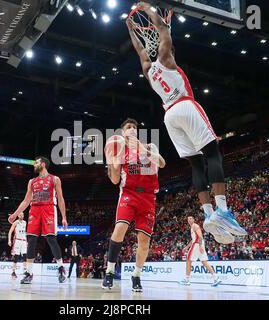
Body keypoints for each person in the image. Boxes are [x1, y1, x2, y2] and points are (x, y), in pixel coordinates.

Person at [126, 1, 247, 243]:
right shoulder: (166, 57)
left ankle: (208, 214)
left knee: (195, 164)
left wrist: (130, 26)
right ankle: (223, 209)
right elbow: (161, 28)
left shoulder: (149, 71)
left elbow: (140, 49)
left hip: (169, 116)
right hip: (185, 104)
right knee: (213, 154)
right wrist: (148, 8)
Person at [102, 118, 165, 292]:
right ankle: (109, 271)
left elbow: (161, 163)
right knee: (120, 228)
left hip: (148, 197)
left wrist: (140, 146)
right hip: (129, 194)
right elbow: (115, 179)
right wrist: (118, 152)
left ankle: (136, 275)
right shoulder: (120, 151)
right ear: (122, 132)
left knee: (144, 242)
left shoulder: (150, 146)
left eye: (134, 127)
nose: (132, 129)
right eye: (128, 127)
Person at [8, 156, 68, 284]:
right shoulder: (32, 181)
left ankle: (61, 268)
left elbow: (61, 199)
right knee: (32, 241)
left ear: (44, 164)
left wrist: (64, 217)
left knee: (51, 239)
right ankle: (29, 273)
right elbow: (26, 201)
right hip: (34, 210)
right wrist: (15, 214)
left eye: (36, 163)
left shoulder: (55, 179)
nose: (34, 165)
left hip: (49, 209)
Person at [181, 216, 221, 286]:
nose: (189, 220)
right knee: (204, 262)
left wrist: (200, 246)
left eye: (191, 218)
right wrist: (187, 247)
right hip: (198, 244)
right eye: (188, 219)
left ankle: (187, 280)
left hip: (197, 245)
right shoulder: (192, 227)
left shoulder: (195, 226)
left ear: (193, 219)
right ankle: (216, 278)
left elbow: (200, 237)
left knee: (188, 260)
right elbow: (193, 239)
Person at [8, 212, 28, 279]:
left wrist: (26, 241)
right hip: (17, 241)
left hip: (24, 241)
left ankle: (25, 271)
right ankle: (13, 272)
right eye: (20, 214)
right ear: (18, 215)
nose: (21, 215)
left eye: (22, 214)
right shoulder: (15, 222)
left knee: (25, 256)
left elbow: (25, 232)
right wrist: (9, 240)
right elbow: (10, 232)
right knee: (16, 257)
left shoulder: (25, 222)